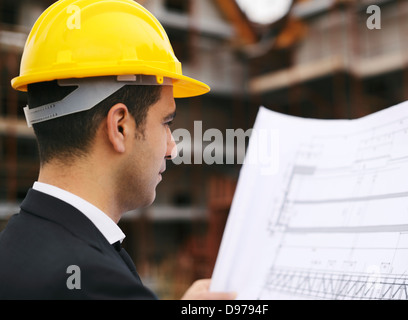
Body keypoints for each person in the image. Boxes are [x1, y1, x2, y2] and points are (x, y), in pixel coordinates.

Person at [0, 0, 236, 300]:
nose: (171, 147)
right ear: (120, 126)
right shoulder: (101, 284)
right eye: (166, 122)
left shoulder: (13, 248)